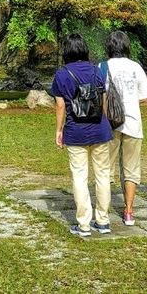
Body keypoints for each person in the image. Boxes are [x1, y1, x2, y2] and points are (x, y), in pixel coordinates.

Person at [52, 33, 113, 238]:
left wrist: (59, 130)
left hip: (75, 130)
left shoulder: (62, 74)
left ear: (66, 51)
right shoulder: (97, 71)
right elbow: (103, 100)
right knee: (103, 175)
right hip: (100, 129)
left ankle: (84, 223)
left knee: (80, 176)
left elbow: (60, 106)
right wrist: (103, 122)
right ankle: (103, 221)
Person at [100, 31, 147, 226]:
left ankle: (102, 210)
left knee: (105, 167)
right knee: (131, 169)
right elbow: (144, 96)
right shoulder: (135, 67)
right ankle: (129, 211)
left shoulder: (102, 67)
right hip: (133, 123)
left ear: (109, 47)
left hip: (108, 124)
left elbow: (98, 94)